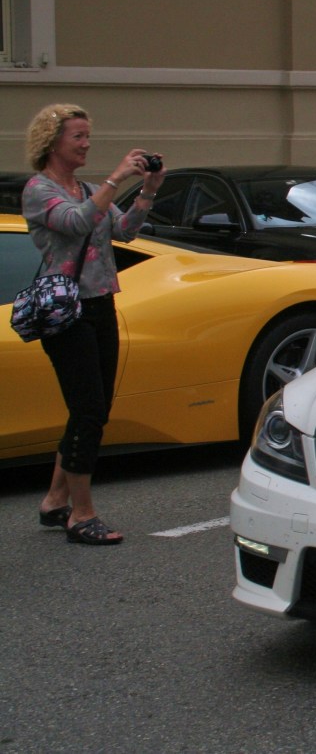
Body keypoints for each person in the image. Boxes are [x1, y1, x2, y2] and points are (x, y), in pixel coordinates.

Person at [22, 103, 165, 545]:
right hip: (65, 310)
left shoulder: (86, 188)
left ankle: (53, 501)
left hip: (101, 304)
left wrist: (148, 188)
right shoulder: (39, 189)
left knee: (95, 408)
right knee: (87, 411)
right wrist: (116, 178)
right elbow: (75, 222)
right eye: (78, 137)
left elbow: (124, 230)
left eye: (88, 137)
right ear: (52, 142)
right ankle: (80, 514)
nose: (86, 145)